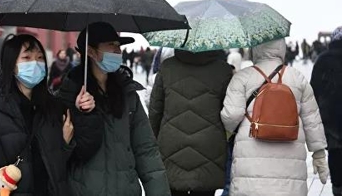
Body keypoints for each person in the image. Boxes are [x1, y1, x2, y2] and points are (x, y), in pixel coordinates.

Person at [0, 34, 97, 196]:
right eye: (27, 57)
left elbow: (83, 152)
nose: (35, 63)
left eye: (39, 57)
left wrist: (84, 114)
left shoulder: (52, 108)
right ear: (12, 65)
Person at [57, 22, 171, 196]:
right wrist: (80, 114)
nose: (118, 52)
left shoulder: (127, 93)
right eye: (111, 46)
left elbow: (146, 149)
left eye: (119, 46)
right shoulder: (67, 95)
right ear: (91, 51)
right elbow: (59, 152)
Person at [220, 39, 329, 196]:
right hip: (290, 164)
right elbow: (312, 118)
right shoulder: (297, 77)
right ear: (281, 47)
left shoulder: (242, 77)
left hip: (251, 161)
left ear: (254, 48)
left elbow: (231, 116)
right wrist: (318, 153)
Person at [149, 49, 233, 196]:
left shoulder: (167, 67)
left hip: (171, 145)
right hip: (209, 146)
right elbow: (228, 114)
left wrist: (154, 141)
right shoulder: (223, 70)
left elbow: (155, 111)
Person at [311, 26, 342, 196]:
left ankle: (337, 188)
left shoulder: (323, 60)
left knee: (336, 158)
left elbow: (313, 91)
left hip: (331, 122)